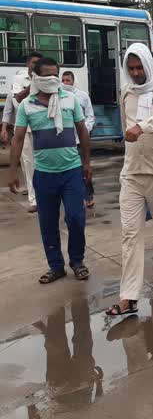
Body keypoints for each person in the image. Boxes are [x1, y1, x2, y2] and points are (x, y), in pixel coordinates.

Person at [106, 43, 153, 316]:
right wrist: (133, 131)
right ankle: (129, 296)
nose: (136, 73)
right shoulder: (127, 90)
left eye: (139, 68)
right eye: (131, 68)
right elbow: (126, 125)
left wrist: (141, 127)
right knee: (130, 235)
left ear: (148, 64)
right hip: (132, 173)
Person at [7, 57, 92, 284]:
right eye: (47, 75)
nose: (53, 79)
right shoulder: (27, 105)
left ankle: (77, 261)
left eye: (56, 75)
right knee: (48, 223)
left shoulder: (70, 100)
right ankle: (56, 266)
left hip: (72, 171)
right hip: (43, 174)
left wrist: (86, 163)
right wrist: (12, 171)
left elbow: (82, 131)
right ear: (35, 77)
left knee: (75, 218)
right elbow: (17, 139)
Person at [1, 51, 44, 212]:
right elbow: (16, 100)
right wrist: (33, 84)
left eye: (38, 63)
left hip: (42, 127)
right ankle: (34, 200)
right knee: (28, 163)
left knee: (43, 163)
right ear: (28, 64)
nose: (35, 66)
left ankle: (45, 195)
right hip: (25, 128)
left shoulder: (45, 78)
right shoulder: (18, 80)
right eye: (33, 63)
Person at [61, 71, 96, 207]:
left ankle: (88, 196)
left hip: (81, 140)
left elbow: (90, 116)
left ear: (73, 81)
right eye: (63, 80)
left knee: (84, 168)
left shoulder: (82, 96)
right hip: (67, 140)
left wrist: (84, 129)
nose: (65, 83)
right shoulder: (59, 97)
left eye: (68, 80)